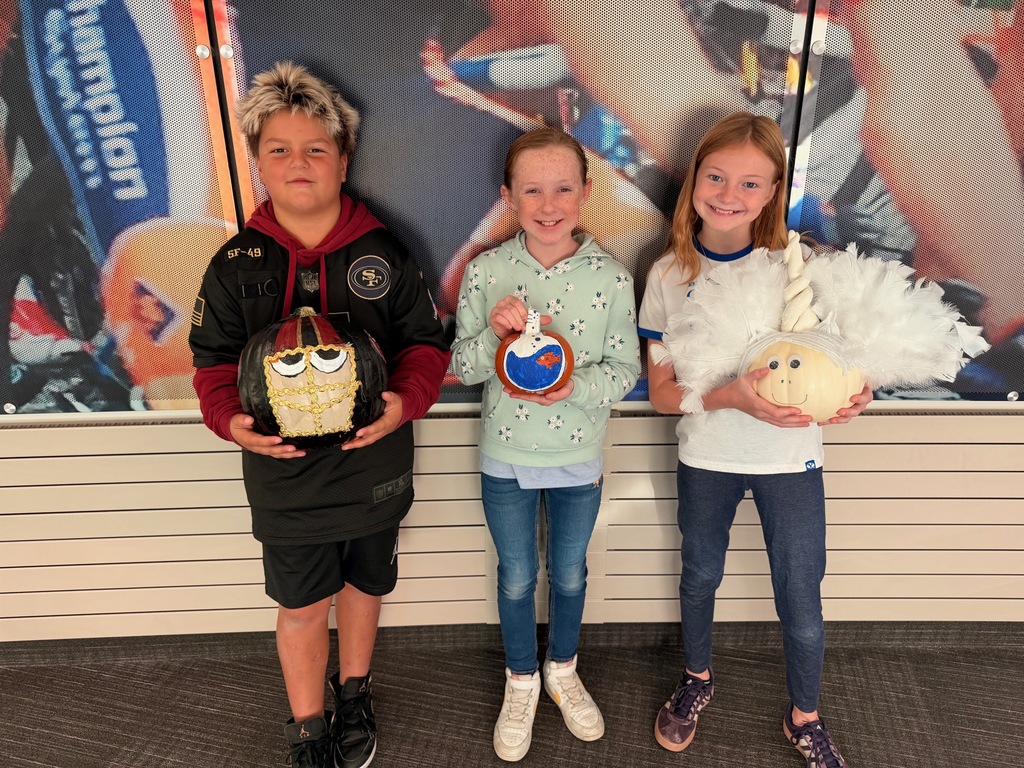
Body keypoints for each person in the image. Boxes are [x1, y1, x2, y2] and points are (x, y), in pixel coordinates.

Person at [188, 62, 450, 768]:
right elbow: (211, 362)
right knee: (303, 603)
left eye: (315, 148)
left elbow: (426, 345)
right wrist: (229, 420)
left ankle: (354, 691)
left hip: (373, 462)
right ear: (256, 162)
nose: (297, 162)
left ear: (343, 159)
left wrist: (404, 403)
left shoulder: (384, 253)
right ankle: (307, 727)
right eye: (279, 149)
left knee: (365, 585)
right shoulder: (235, 263)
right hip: (287, 475)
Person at [638, 112, 872, 767]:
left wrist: (859, 390)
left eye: (749, 183)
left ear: (773, 193)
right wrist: (728, 397)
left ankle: (806, 716)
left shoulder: (799, 268)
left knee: (800, 595)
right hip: (706, 457)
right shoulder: (668, 275)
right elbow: (661, 393)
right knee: (699, 575)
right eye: (715, 177)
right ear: (693, 180)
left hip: (790, 460)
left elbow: (847, 356)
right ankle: (697, 678)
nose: (728, 194)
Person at [450, 127, 640, 762]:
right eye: (532, 190)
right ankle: (522, 679)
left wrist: (573, 388)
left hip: (578, 456)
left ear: (585, 193)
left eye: (563, 189)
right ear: (508, 196)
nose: (549, 204)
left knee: (570, 571)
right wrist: (493, 334)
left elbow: (626, 370)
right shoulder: (487, 271)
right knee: (515, 575)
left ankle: (563, 668)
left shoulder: (611, 278)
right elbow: (463, 367)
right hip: (505, 456)